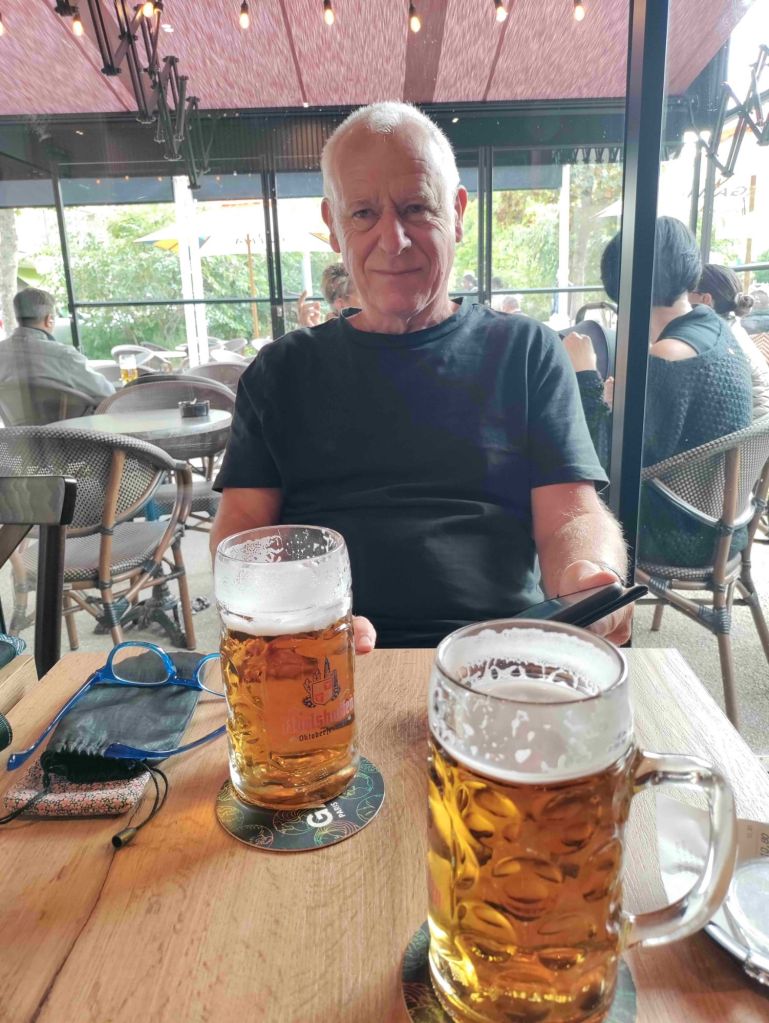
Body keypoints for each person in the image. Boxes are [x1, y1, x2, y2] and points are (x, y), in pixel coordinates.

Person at [211, 102, 631, 651]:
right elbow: (243, 527)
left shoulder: (526, 352)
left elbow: (570, 514)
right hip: (321, 657)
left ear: (457, 211)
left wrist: (588, 572)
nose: (393, 239)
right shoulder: (280, 371)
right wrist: (293, 616)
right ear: (333, 227)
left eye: (415, 207)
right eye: (363, 213)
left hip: (497, 651)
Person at [572, 218, 752, 567]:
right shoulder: (715, 327)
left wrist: (584, 375)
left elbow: (601, 464)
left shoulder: (669, 356)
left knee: (553, 490)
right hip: (721, 520)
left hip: (682, 534)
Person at [0, 288, 114, 405]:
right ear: (49, 320)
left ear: (17, 318)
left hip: (13, 418)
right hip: (69, 418)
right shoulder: (64, 357)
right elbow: (108, 393)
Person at [689, 264, 769, 419]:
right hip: (758, 426)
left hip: (746, 430)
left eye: (686, 292)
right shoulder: (732, 327)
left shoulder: (713, 337)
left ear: (705, 299)